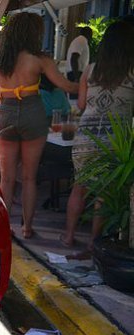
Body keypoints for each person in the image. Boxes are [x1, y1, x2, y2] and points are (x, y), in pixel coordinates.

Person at [0, 12, 78, 238]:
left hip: (7, 113)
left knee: (7, 178)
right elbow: (66, 86)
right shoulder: (40, 59)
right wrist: (89, 83)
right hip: (33, 113)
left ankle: (4, 229)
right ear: (33, 33)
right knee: (29, 177)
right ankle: (27, 228)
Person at [61, 21, 134, 250]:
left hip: (86, 135)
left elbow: (81, 104)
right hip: (115, 140)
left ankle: (69, 236)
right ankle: (94, 243)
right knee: (104, 191)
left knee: (79, 187)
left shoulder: (91, 69)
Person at [66, 26, 92, 99]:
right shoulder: (81, 40)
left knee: (78, 98)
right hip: (76, 72)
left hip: (76, 72)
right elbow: (74, 58)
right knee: (77, 98)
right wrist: (77, 77)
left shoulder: (81, 41)